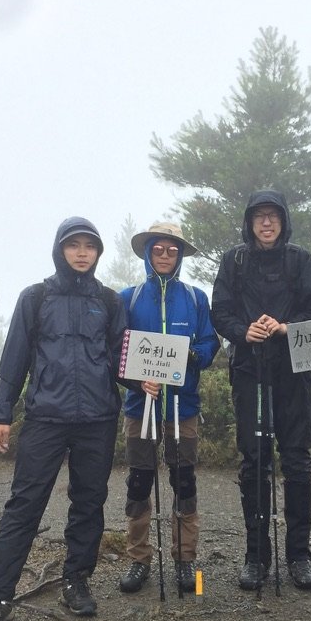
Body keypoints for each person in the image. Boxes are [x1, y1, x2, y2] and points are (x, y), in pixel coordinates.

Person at [0, 217, 128, 621]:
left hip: (98, 419)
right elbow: (14, 358)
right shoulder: (36, 298)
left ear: (97, 253)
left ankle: (77, 581)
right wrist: (1, 414)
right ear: (59, 250)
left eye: (89, 246)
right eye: (73, 245)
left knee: (89, 503)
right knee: (23, 506)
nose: (81, 252)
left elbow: (119, 359)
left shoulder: (110, 302)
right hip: (45, 418)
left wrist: (145, 376)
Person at [211, 190, 311, 591]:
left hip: (294, 371)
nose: (266, 223)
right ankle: (256, 556)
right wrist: (245, 332)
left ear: (283, 220)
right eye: (259, 216)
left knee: (296, 461)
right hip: (248, 370)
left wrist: (284, 328)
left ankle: (299, 556)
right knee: (254, 461)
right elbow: (219, 310)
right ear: (249, 222)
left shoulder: (300, 259)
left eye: (273, 216)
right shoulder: (234, 261)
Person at [117, 222, 219, 593]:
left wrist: (194, 355)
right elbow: (117, 353)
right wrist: (135, 381)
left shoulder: (195, 298)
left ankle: (186, 561)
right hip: (138, 407)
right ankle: (138, 559)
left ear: (179, 256)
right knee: (139, 483)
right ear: (148, 253)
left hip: (183, 406)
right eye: (158, 249)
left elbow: (211, 343)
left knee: (185, 482)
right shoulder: (127, 298)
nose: (164, 255)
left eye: (171, 250)